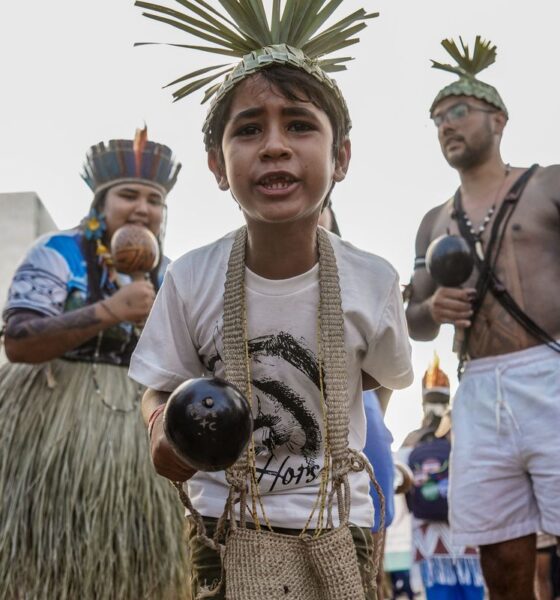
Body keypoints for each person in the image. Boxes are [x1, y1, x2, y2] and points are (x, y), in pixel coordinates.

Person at [130, 2, 413, 599]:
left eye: (300, 125)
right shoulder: (190, 279)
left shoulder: (372, 282)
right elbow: (159, 384)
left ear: (341, 158)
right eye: (249, 128)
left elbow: (381, 381)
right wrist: (159, 425)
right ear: (217, 164)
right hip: (222, 523)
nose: (275, 146)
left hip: (339, 521)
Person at [0, 128, 188, 599]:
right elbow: (18, 340)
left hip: (139, 426)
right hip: (52, 423)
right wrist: (111, 310)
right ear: (100, 204)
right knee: (46, 563)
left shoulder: (175, 274)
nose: (143, 208)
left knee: (143, 574)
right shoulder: (58, 253)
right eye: (128, 195)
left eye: (154, 200)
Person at [405, 36, 560, 600]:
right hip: (477, 390)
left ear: (498, 118)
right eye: (438, 118)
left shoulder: (547, 184)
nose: (446, 125)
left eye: (458, 111)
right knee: (500, 552)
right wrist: (430, 308)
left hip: (551, 371)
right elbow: (415, 322)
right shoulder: (432, 221)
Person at [403, 355, 484, 600]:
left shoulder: (411, 442)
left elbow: (408, 497)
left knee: (440, 594)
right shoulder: (463, 436)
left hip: (428, 540)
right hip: (467, 537)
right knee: (472, 593)